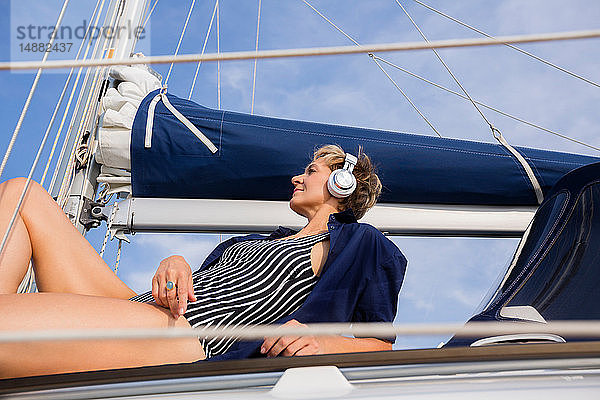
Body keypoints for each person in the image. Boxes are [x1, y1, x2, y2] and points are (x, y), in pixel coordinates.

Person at [0, 144, 406, 378]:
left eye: (311, 171)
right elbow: (202, 287)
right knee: (24, 194)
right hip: (146, 310)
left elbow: (380, 345)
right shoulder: (251, 241)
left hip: (188, 339)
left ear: (342, 182)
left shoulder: (360, 244)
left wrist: (322, 342)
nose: (297, 178)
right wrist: (176, 262)